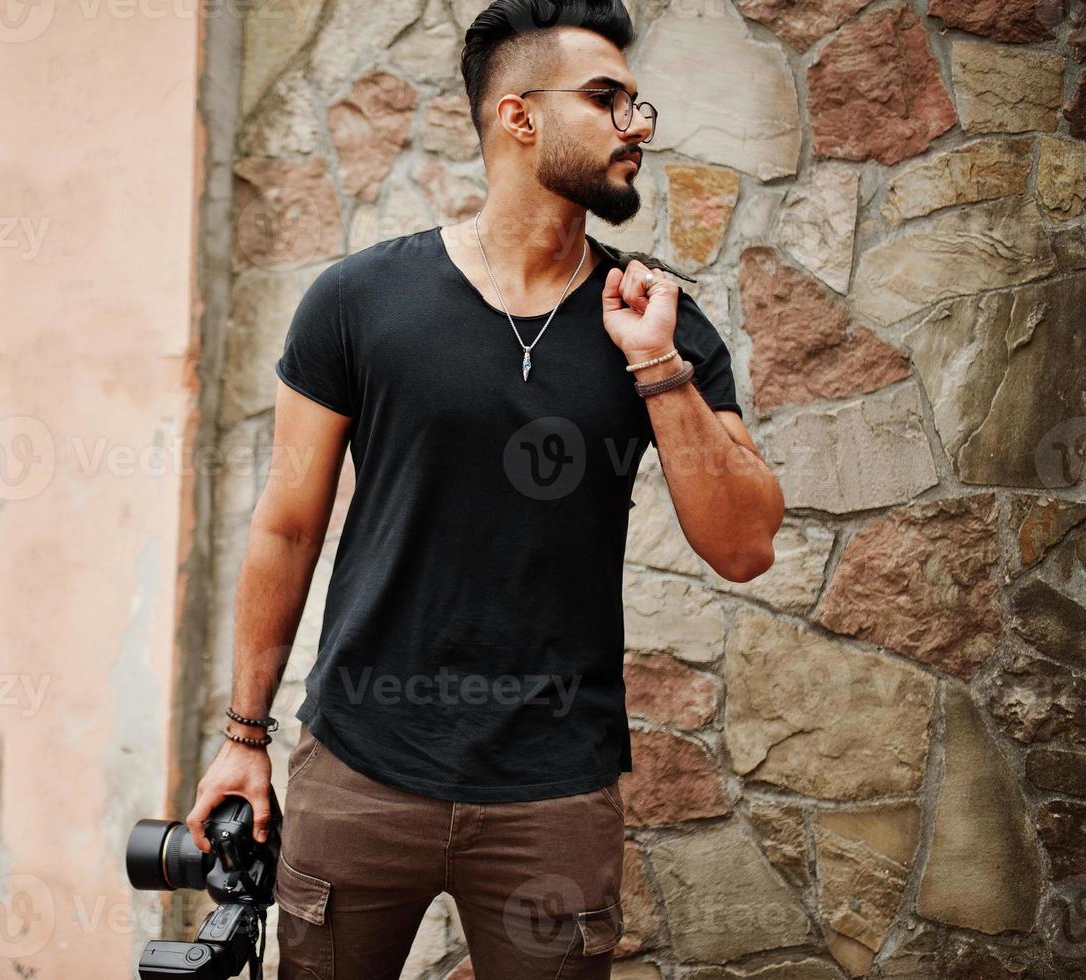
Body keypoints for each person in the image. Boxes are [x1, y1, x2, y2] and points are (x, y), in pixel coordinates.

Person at [187, 1, 785, 976]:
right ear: (518, 117)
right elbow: (287, 526)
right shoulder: (357, 301)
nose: (636, 124)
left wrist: (659, 368)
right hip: (359, 769)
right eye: (606, 99)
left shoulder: (657, 318)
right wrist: (243, 738)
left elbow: (746, 544)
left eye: (640, 104)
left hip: (554, 793)